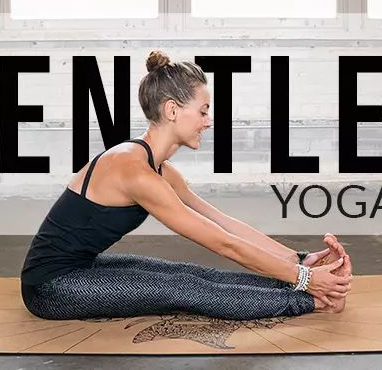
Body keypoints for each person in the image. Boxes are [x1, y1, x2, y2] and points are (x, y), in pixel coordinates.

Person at [21, 51, 353, 321]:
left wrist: (300, 259)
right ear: (172, 110)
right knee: (182, 288)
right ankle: (316, 303)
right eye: (203, 111)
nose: (208, 121)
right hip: (51, 287)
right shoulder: (134, 171)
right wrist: (308, 282)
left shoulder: (161, 170)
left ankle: (307, 290)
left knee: (188, 273)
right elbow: (225, 245)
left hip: (83, 267)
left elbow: (225, 225)